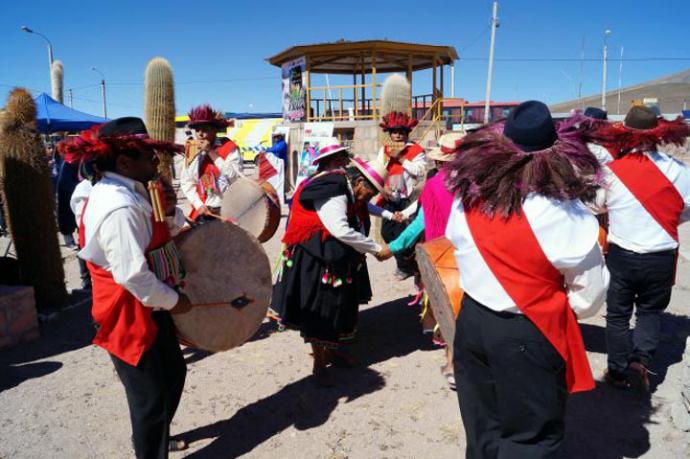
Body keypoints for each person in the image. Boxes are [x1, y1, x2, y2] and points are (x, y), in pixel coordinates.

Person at [445, 101, 609, 458]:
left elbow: (455, 244)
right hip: (528, 330)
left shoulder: (468, 198)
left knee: (482, 424)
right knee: (531, 438)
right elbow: (591, 295)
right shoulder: (568, 213)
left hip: (472, 321)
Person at [60, 117, 191, 458]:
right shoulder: (118, 206)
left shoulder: (129, 191)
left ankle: (154, 437)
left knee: (173, 374)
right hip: (128, 311)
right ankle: (150, 449)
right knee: (149, 398)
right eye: (148, 156)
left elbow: (153, 237)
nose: (155, 162)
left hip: (148, 305)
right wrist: (175, 301)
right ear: (123, 162)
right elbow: (132, 274)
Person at [271, 138, 388, 387]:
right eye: (370, 191)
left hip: (334, 258)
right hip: (317, 259)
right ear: (359, 182)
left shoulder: (343, 186)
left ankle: (334, 353)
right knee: (323, 310)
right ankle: (319, 365)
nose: (369, 198)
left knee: (340, 307)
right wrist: (377, 248)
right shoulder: (332, 189)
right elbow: (340, 229)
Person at [591, 105, 690, 392]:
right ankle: (641, 362)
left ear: (626, 135)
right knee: (649, 312)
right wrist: (669, 217)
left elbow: (595, 204)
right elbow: (686, 208)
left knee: (619, 314)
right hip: (661, 255)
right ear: (659, 135)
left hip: (622, 254)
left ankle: (618, 371)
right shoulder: (680, 170)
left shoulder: (612, 172)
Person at [378, 132, 465, 389]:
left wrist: (392, 248)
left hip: (445, 258)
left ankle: (452, 364)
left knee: (449, 310)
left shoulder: (437, 186)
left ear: (441, 162)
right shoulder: (483, 182)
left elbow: (421, 223)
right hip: (479, 258)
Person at [376, 111, 427, 280]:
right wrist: (383, 188)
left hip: (407, 200)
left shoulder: (417, 150)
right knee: (387, 232)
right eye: (394, 132)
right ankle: (405, 263)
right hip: (390, 198)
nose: (397, 135)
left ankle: (405, 266)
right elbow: (379, 170)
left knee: (404, 233)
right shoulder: (384, 149)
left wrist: (402, 159)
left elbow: (420, 172)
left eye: (401, 132)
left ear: (407, 133)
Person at [180, 104, 242, 221]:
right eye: (197, 130)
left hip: (228, 210)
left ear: (215, 130)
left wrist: (211, 152)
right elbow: (187, 182)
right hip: (204, 210)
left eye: (205, 129)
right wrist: (199, 205)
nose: (200, 134)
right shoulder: (192, 152)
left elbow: (234, 176)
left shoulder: (229, 147)